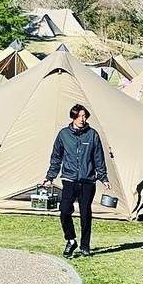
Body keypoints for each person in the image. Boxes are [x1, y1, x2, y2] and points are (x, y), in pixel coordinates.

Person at [45, 103, 110, 258]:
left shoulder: (92, 135)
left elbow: (98, 157)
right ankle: (71, 239)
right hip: (69, 179)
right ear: (73, 117)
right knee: (64, 211)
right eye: (80, 116)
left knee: (85, 213)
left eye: (85, 116)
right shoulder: (63, 135)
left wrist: (103, 177)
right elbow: (56, 157)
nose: (83, 119)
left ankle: (85, 246)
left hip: (87, 181)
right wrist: (50, 177)